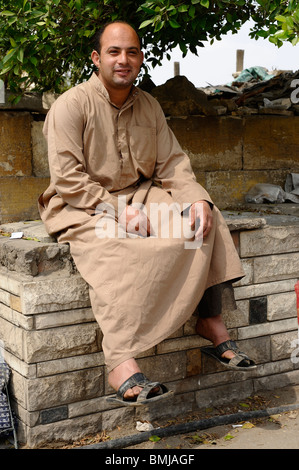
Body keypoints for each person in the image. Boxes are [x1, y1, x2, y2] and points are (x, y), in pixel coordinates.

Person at [38, 20, 255, 407]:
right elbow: (68, 179)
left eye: (132, 52)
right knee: (114, 245)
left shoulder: (149, 105)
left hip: (141, 194)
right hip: (82, 203)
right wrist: (117, 211)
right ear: (96, 58)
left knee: (201, 221)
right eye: (114, 52)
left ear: (140, 58)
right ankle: (120, 358)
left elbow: (172, 164)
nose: (124, 60)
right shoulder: (71, 105)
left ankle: (210, 320)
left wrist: (198, 199)